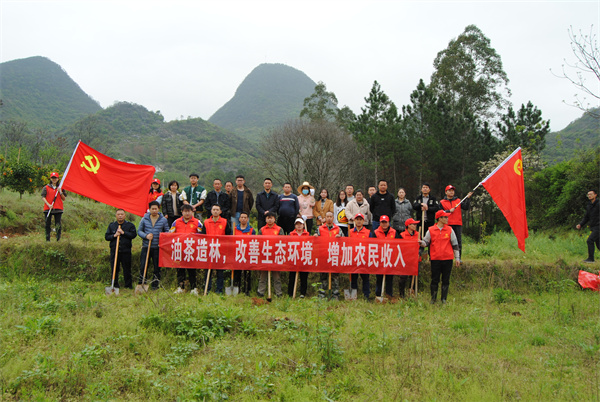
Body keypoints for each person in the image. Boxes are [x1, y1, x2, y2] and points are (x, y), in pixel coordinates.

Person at [420, 210, 460, 304]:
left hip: (448, 258)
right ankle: (433, 299)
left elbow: (455, 245)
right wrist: (421, 243)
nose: (447, 219)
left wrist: (457, 258)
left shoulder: (450, 230)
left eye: (447, 217)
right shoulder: (431, 230)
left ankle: (443, 299)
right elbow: (426, 242)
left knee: (446, 280)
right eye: (445, 217)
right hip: (435, 259)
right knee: (435, 279)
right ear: (439, 219)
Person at [137, 201, 170, 290]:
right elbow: (139, 231)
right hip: (146, 246)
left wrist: (162, 238)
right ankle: (142, 282)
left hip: (157, 247)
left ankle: (155, 285)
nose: (154, 210)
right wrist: (146, 236)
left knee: (157, 267)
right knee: (143, 265)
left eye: (156, 209)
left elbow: (167, 231)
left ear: (158, 209)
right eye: (152, 209)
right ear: (149, 209)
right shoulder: (144, 219)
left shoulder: (163, 220)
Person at [172, 204, 203, 294]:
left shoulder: (197, 222)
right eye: (185, 211)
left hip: (191, 250)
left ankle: (194, 288)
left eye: (189, 211)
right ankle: (180, 287)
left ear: (192, 212)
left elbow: (202, 234)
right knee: (180, 268)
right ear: (182, 212)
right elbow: (170, 234)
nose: (187, 213)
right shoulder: (176, 222)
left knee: (192, 269)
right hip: (180, 249)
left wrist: (194, 236)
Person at [201, 204, 232, 293]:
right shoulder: (206, 222)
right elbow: (203, 236)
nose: (215, 211)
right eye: (214, 209)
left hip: (220, 249)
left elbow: (228, 235)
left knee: (220, 271)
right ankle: (207, 288)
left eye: (217, 210)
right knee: (208, 271)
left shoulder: (225, 222)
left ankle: (219, 289)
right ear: (211, 211)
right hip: (208, 249)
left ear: (220, 211)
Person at [105, 209, 137, 289]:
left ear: (125, 215)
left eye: (122, 214)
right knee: (114, 268)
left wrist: (123, 233)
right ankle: (115, 285)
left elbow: (133, 235)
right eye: (118, 214)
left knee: (127, 268)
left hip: (126, 251)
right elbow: (107, 237)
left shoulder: (130, 225)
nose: (120, 216)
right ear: (116, 216)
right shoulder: (112, 225)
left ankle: (128, 285)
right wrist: (114, 235)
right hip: (114, 250)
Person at [369, 215, 400, 298]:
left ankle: (389, 295)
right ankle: (378, 294)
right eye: (382, 222)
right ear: (380, 223)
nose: (384, 224)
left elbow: (398, 245)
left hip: (390, 258)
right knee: (379, 277)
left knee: (390, 278)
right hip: (379, 258)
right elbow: (373, 245)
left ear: (388, 223)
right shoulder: (375, 232)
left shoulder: (394, 232)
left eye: (385, 222)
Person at [315, 211, 344, 300]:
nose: (329, 218)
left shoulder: (338, 229)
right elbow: (315, 241)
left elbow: (344, 241)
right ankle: (322, 294)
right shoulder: (320, 228)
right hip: (323, 255)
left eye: (331, 216)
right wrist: (315, 236)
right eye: (327, 216)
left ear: (333, 218)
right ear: (325, 218)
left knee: (335, 277)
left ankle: (335, 295)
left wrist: (340, 237)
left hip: (335, 256)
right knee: (323, 276)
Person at [440, 185, 473, 260]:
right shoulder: (442, 202)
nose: (451, 192)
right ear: (446, 192)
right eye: (450, 190)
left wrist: (468, 198)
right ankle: (446, 256)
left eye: (452, 190)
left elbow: (465, 207)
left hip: (457, 224)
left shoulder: (458, 201)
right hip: (447, 224)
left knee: (458, 241)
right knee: (446, 241)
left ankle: (458, 258)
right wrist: (448, 211)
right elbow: (439, 212)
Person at [257, 212, 285, 297]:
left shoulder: (279, 229)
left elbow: (282, 241)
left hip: (275, 255)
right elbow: (259, 242)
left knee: (276, 276)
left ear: (274, 219)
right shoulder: (262, 229)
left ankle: (278, 293)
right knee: (263, 275)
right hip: (264, 255)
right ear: (265, 219)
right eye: (268, 218)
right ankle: (260, 292)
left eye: (271, 218)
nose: (269, 220)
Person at [349, 213, 371, 299]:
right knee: (353, 277)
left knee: (365, 278)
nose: (358, 221)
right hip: (353, 258)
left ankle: (366, 295)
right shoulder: (350, 232)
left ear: (363, 221)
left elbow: (371, 245)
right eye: (357, 219)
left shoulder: (368, 232)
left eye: (360, 219)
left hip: (364, 258)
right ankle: (354, 295)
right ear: (354, 221)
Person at [234, 211, 257, 295]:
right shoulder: (234, 229)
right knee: (237, 273)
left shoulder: (251, 230)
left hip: (247, 254)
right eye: (242, 217)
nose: (243, 219)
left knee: (247, 274)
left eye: (245, 217)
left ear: (247, 219)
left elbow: (254, 242)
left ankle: (247, 290)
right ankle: (237, 289)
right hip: (237, 254)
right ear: (239, 219)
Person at [288, 217, 311, 298]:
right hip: (293, 257)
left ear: (303, 225)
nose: (299, 226)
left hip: (304, 257)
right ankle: (290, 293)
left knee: (304, 276)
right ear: (295, 225)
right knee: (292, 276)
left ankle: (303, 293)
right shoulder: (291, 234)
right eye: (297, 224)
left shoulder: (308, 234)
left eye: (300, 224)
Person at [398, 218, 421, 298]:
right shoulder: (402, 235)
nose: (415, 226)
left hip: (415, 259)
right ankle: (401, 294)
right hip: (405, 259)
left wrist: (419, 253)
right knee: (403, 277)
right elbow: (399, 247)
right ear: (408, 225)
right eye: (413, 224)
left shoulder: (418, 234)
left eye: (415, 224)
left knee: (414, 277)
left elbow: (421, 246)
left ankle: (412, 292)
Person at [41, 172, 67, 241]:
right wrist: (48, 204)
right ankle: (47, 239)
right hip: (48, 208)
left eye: (55, 178)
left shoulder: (61, 188)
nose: (54, 179)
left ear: (58, 179)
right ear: (50, 179)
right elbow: (43, 197)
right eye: (53, 178)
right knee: (47, 224)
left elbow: (64, 198)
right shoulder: (46, 187)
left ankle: (58, 239)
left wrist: (60, 192)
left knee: (58, 224)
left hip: (58, 208)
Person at [576, 189, 599, 263]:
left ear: (595, 195)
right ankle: (591, 259)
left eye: (591, 194)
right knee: (598, 244)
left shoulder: (599, 204)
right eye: (588, 194)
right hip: (593, 226)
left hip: (599, 226)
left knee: (590, 240)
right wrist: (580, 224)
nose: (589, 196)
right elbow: (586, 217)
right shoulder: (589, 206)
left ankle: (591, 259)